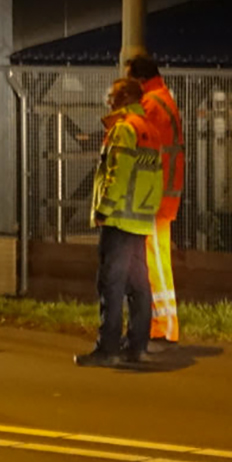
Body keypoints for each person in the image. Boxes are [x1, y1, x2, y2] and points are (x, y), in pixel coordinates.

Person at [78, 78, 164, 368]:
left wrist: (104, 209)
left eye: (112, 95)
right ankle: (137, 346)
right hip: (140, 219)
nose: (107, 99)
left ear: (125, 97)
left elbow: (118, 174)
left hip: (118, 219)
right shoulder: (149, 129)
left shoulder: (124, 129)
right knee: (139, 286)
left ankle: (108, 349)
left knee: (111, 285)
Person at [128, 54, 184, 347]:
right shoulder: (163, 99)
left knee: (156, 261)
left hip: (155, 194)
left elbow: (141, 145)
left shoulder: (152, 104)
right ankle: (161, 324)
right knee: (156, 259)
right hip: (163, 192)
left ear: (139, 80)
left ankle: (165, 325)